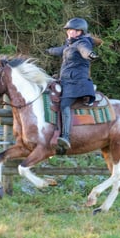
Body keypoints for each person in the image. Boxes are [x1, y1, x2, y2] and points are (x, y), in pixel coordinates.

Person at [46, 17, 99, 150]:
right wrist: (48, 50)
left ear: (80, 32)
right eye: (69, 30)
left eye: (74, 30)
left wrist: (90, 54)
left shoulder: (83, 43)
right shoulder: (69, 45)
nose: (70, 32)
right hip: (66, 81)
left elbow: (84, 51)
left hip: (77, 83)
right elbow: (60, 50)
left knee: (64, 105)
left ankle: (65, 137)